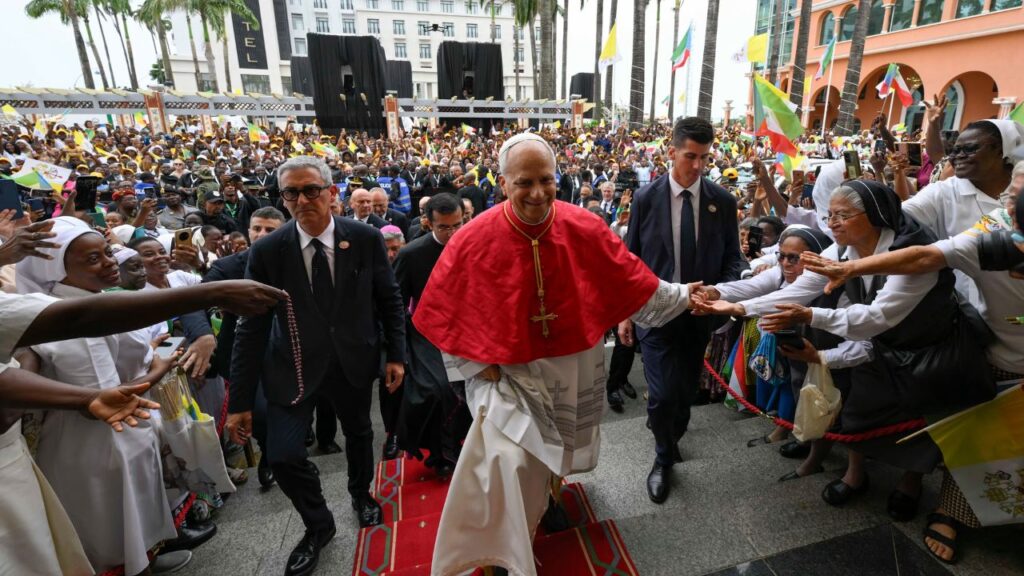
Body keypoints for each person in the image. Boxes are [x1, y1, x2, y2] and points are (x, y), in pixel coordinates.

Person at [413, 133, 701, 576]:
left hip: (573, 363)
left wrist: (685, 295)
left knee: (551, 454)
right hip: (506, 373)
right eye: (524, 182)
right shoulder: (472, 238)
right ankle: (502, 554)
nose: (537, 192)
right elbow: (445, 315)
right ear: (503, 183)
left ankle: (545, 503)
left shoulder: (584, 225)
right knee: (505, 463)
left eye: (546, 180)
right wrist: (474, 365)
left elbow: (632, 282)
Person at [800, 162, 1024, 564]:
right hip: (995, 354)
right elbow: (923, 257)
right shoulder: (987, 234)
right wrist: (847, 268)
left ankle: (924, 489)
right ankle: (950, 513)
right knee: (972, 440)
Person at [226, 156, 406, 576]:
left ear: (331, 192)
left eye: (311, 190)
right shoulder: (269, 250)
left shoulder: (363, 237)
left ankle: (362, 494)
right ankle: (318, 524)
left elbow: (388, 299)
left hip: (352, 360)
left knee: (360, 432)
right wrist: (239, 400)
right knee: (285, 455)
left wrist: (395, 354)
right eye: (292, 192)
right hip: (291, 365)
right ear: (283, 199)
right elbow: (250, 328)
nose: (302, 199)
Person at [13, 217, 181, 576]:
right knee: (115, 535)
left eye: (106, 252)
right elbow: (105, 398)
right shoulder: (71, 321)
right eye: (92, 260)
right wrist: (159, 369)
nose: (109, 262)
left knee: (129, 529)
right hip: (101, 443)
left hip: (117, 438)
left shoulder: (87, 300)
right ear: (56, 271)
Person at [620, 116, 746, 503]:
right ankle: (662, 460)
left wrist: (722, 293)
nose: (697, 165)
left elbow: (732, 259)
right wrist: (624, 311)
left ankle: (670, 432)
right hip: (656, 312)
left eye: (704, 157)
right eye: (690, 155)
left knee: (684, 391)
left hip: (699, 317)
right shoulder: (646, 198)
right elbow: (630, 259)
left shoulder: (721, 202)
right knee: (660, 395)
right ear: (671, 151)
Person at [203, 206, 287, 488]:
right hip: (246, 355)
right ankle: (270, 455)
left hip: (288, 351)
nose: (262, 235)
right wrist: (203, 335)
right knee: (261, 413)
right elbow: (194, 303)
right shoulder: (227, 268)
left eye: (270, 230)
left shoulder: (294, 261)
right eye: (257, 228)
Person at [394, 193, 467, 475]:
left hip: (468, 328)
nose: (452, 233)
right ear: (428, 224)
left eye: (457, 225)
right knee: (438, 390)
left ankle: (469, 445)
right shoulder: (411, 254)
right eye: (444, 227)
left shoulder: (471, 244)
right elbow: (396, 302)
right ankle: (442, 452)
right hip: (427, 332)